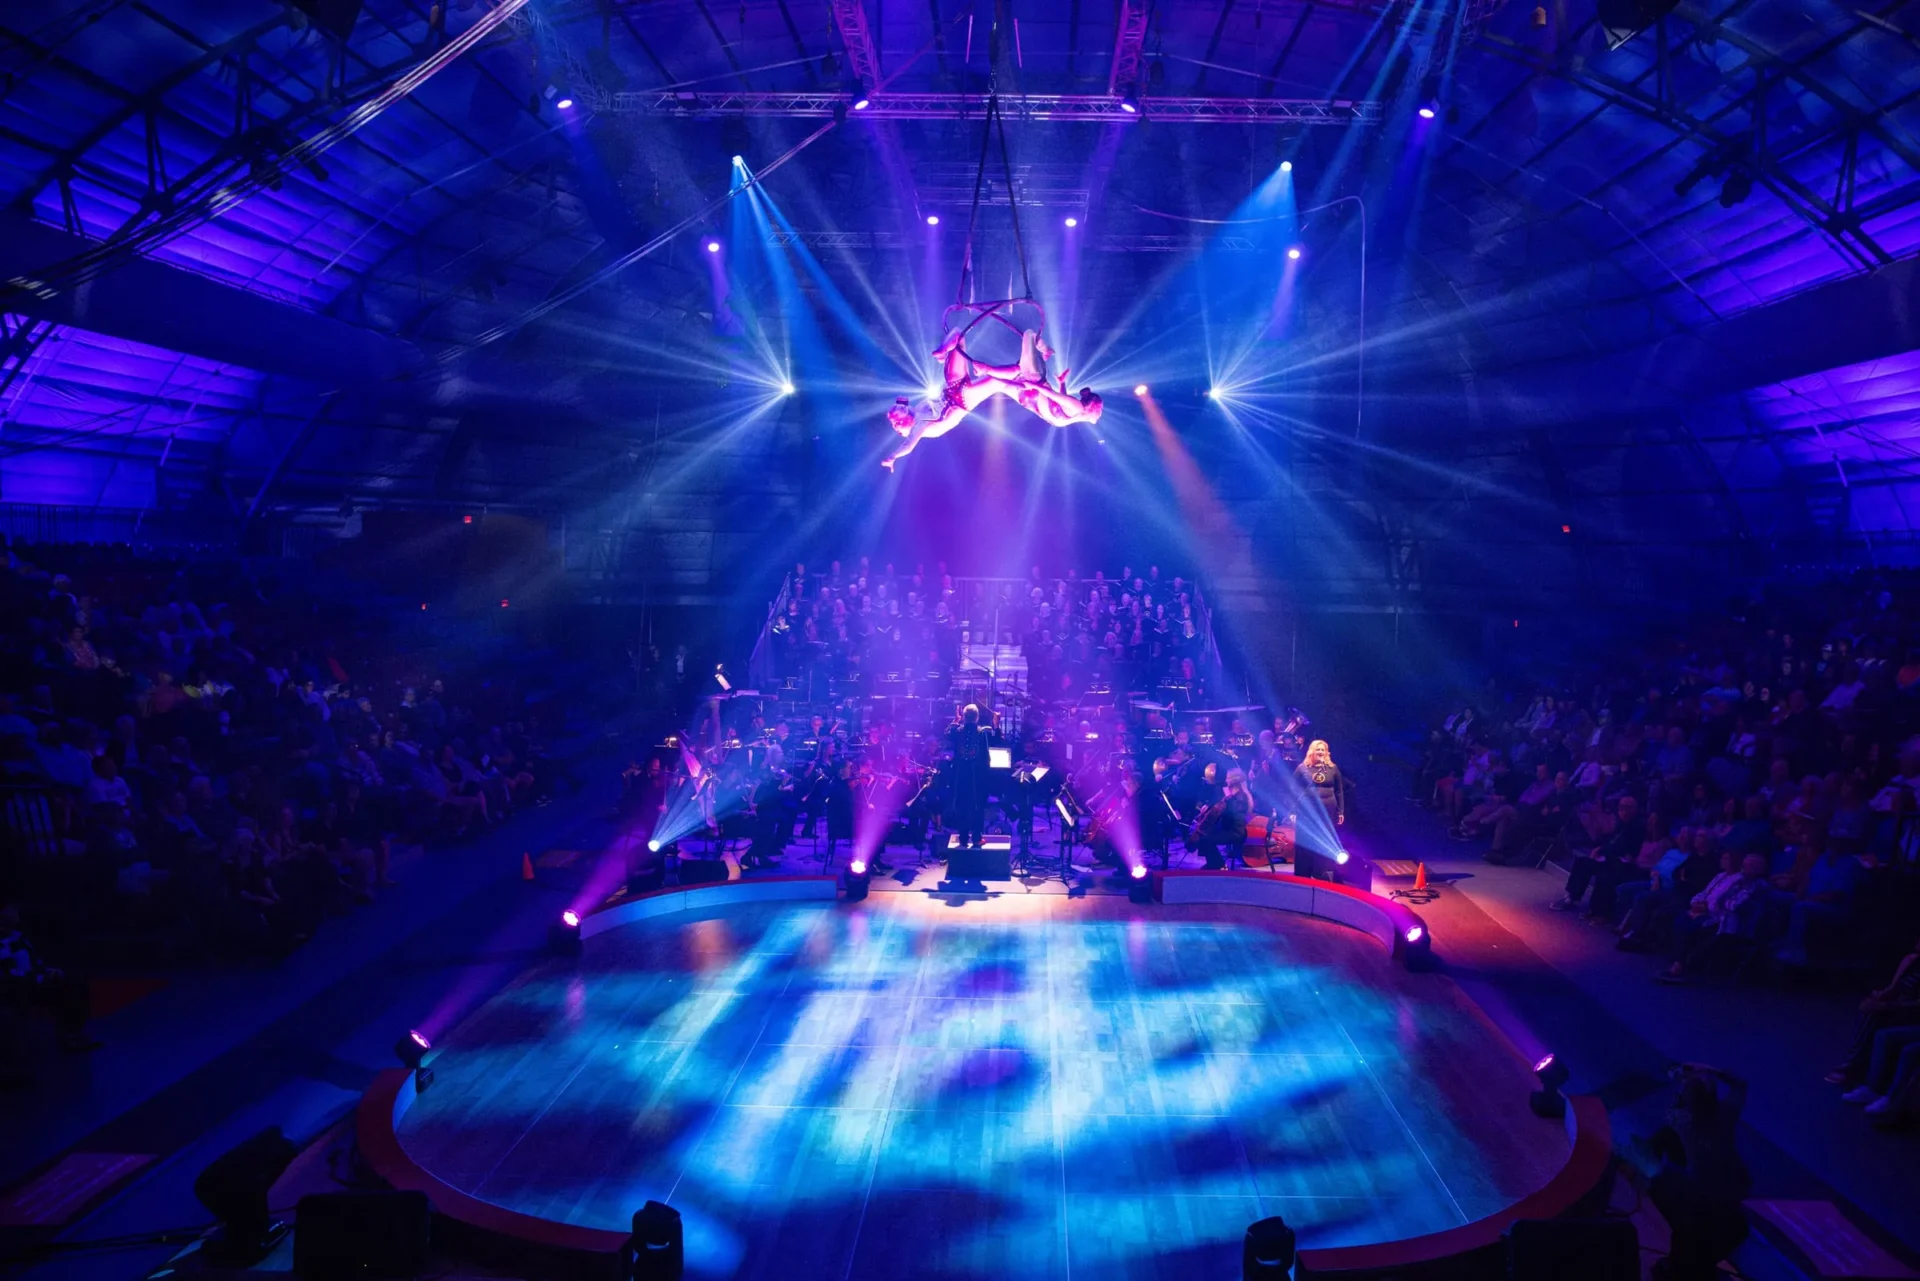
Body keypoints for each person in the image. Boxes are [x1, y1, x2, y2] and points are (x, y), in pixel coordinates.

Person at [944, 703, 996, 851]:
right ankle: (977, 838)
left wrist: (956, 720)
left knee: (962, 806)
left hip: (960, 777)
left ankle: (963, 838)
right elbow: (997, 739)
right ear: (977, 717)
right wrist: (996, 724)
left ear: (964, 718)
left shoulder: (957, 731)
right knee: (977, 806)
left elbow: (946, 733)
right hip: (978, 778)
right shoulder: (983, 732)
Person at [1290, 739, 1347, 847]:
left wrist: (1341, 812)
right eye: (1318, 750)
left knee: (1326, 838)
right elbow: (1293, 790)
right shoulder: (1302, 768)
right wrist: (1293, 811)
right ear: (1312, 752)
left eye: (1323, 750)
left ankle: (1324, 863)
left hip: (1329, 808)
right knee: (1309, 838)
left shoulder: (1332, 768)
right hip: (1308, 809)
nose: (1320, 752)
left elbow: (1339, 791)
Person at [1193, 768, 1252, 870]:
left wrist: (1227, 798)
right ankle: (1213, 863)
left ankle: (1219, 865)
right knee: (1203, 835)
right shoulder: (1231, 796)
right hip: (1228, 828)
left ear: (1234, 780)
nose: (1226, 780)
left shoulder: (1241, 797)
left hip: (1236, 832)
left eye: (1228, 778)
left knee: (1207, 839)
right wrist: (1208, 808)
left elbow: (1232, 814)